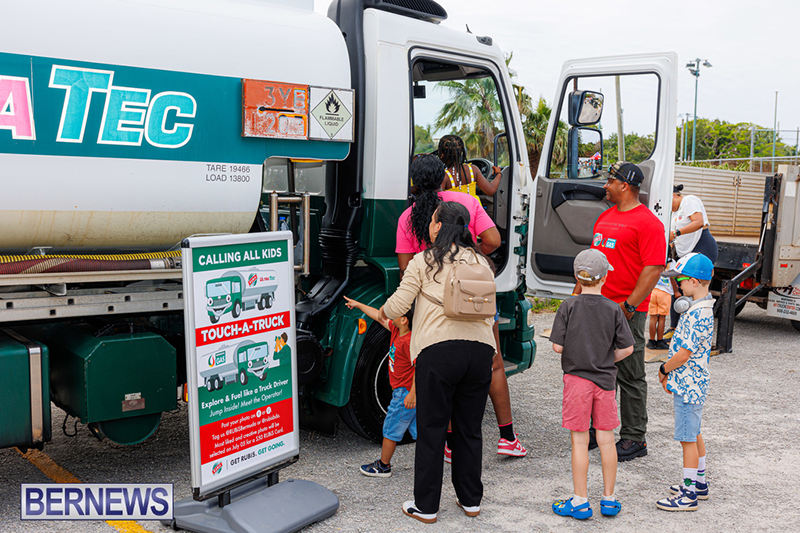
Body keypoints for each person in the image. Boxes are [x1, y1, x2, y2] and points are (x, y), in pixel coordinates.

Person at [397, 154, 527, 458]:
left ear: (414, 183)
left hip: (433, 305)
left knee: (442, 368)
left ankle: (450, 442)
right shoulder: (463, 201)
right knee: (492, 362)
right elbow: (493, 240)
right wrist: (471, 257)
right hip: (473, 293)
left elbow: (406, 270)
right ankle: (507, 437)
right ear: (444, 176)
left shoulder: (408, 217)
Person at [381, 201, 496, 524]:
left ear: (438, 227)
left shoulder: (424, 260)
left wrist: (384, 312)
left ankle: (427, 506)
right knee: (469, 429)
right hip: (480, 353)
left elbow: (400, 303)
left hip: (439, 351)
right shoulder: (481, 262)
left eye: (433, 221)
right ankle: (471, 500)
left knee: (432, 430)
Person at [575, 161, 666, 461]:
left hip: (626, 310)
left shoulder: (648, 223)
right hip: (597, 306)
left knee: (629, 373)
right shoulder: (605, 218)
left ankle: (634, 438)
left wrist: (629, 306)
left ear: (625, 185)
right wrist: (576, 299)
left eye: (610, 181)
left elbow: (653, 268)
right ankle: (595, 430)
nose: (605, 186)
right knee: (596, 371)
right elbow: (591, 262)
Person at [550, 249, 634, 520]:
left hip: (576, 381)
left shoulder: (568, 306)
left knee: (579, 441)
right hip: (605, 382)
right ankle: (608, 500)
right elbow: (628, 348)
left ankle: (580, 501)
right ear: (605, 277)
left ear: (577, 276)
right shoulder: (613, 309)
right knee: (607, 440)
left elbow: (556, 346)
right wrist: (608, 358)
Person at [655, 253, 715, 511]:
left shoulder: (696, 314)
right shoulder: (701, 308)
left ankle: (688, 494)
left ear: (693, 281)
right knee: (695, 432)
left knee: (687, 438)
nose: (677, 285)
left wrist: (664, 368)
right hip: (694, 384)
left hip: (688, 385)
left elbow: (684, 353)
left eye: (680, 280)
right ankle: (699, 483)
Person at [345, 296, 416, 478]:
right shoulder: (396, 330)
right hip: (408, 393)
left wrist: (412, 394)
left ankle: (383, 466)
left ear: (404, 320)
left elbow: (420, 367)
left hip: (405, 394)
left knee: (390, 429)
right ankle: (439, 454)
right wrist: (359, 304)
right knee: (418, 429)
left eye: (395, 312)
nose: (389, 314)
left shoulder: (408, 342)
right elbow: (378, 316)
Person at [666, 184, 718, 337]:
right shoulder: (673, 213)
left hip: (703, 246)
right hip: (685, 252)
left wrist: (675, 233)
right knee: (679, 287)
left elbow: (698, 222)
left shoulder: (689, 200)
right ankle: (675, 328)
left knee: (697, 288)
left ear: (675, 195)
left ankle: (698, 328)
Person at [437, 135, 501, 200]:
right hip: (475, 209)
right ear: (462, 151)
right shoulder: (473, 169)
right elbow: (491, 190)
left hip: (456, 210)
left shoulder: (444, 176)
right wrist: (498, 174)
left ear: (442, 155)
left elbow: (437, 199)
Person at [647, 267, 673, 351]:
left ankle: (651, 341)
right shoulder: (671, 264)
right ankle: (660, 341)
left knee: (652, 318)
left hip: (653, 291)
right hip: (665, 293)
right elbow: (672, 279)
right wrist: (676, 291)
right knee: (662, 318)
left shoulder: (655, 263)